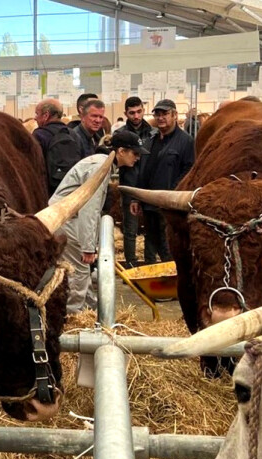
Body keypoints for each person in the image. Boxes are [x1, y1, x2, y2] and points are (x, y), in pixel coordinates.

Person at [49, 130, 145, 313]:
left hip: (65, 218)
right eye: (135, 153)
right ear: (121, 151)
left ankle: (88, 312)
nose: (138, 158)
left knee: (81, 273)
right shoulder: (100, 167)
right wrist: (88, 246)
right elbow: (89, 209)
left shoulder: (102, 162)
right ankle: (71, 318)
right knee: (77, 273)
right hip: (68, 220)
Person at [130, 99, 195, 264]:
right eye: (157, 114)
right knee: (150, 239)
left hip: (170, 203)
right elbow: (142, 170)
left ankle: (171, 273)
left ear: (174, 115)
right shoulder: (151, 140)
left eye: (165, 114)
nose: (160, 118)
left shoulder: (186, 141)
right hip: (149, 200)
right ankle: (149, 270)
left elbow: (189, 170)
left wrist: (174, 193)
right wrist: (136, 198)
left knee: (168, 242)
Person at [116, 96, 153, 267]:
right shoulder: (121, 134)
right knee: (130, 229)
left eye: (139, 111)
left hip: (148, 186)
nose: (136, 116)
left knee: (151, 228)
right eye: (132, 113)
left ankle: (151, 263)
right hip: (129, 186)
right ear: (126, 113)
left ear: (143, 110)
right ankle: (131, 264)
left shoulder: (152, 133)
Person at [32, 98, 80, 196]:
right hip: (71, 191)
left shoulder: (39, 135)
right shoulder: (74, 135)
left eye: (37, 114)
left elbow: (34, 167)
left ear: (46, 115)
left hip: (47, 193)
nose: (35, 118)